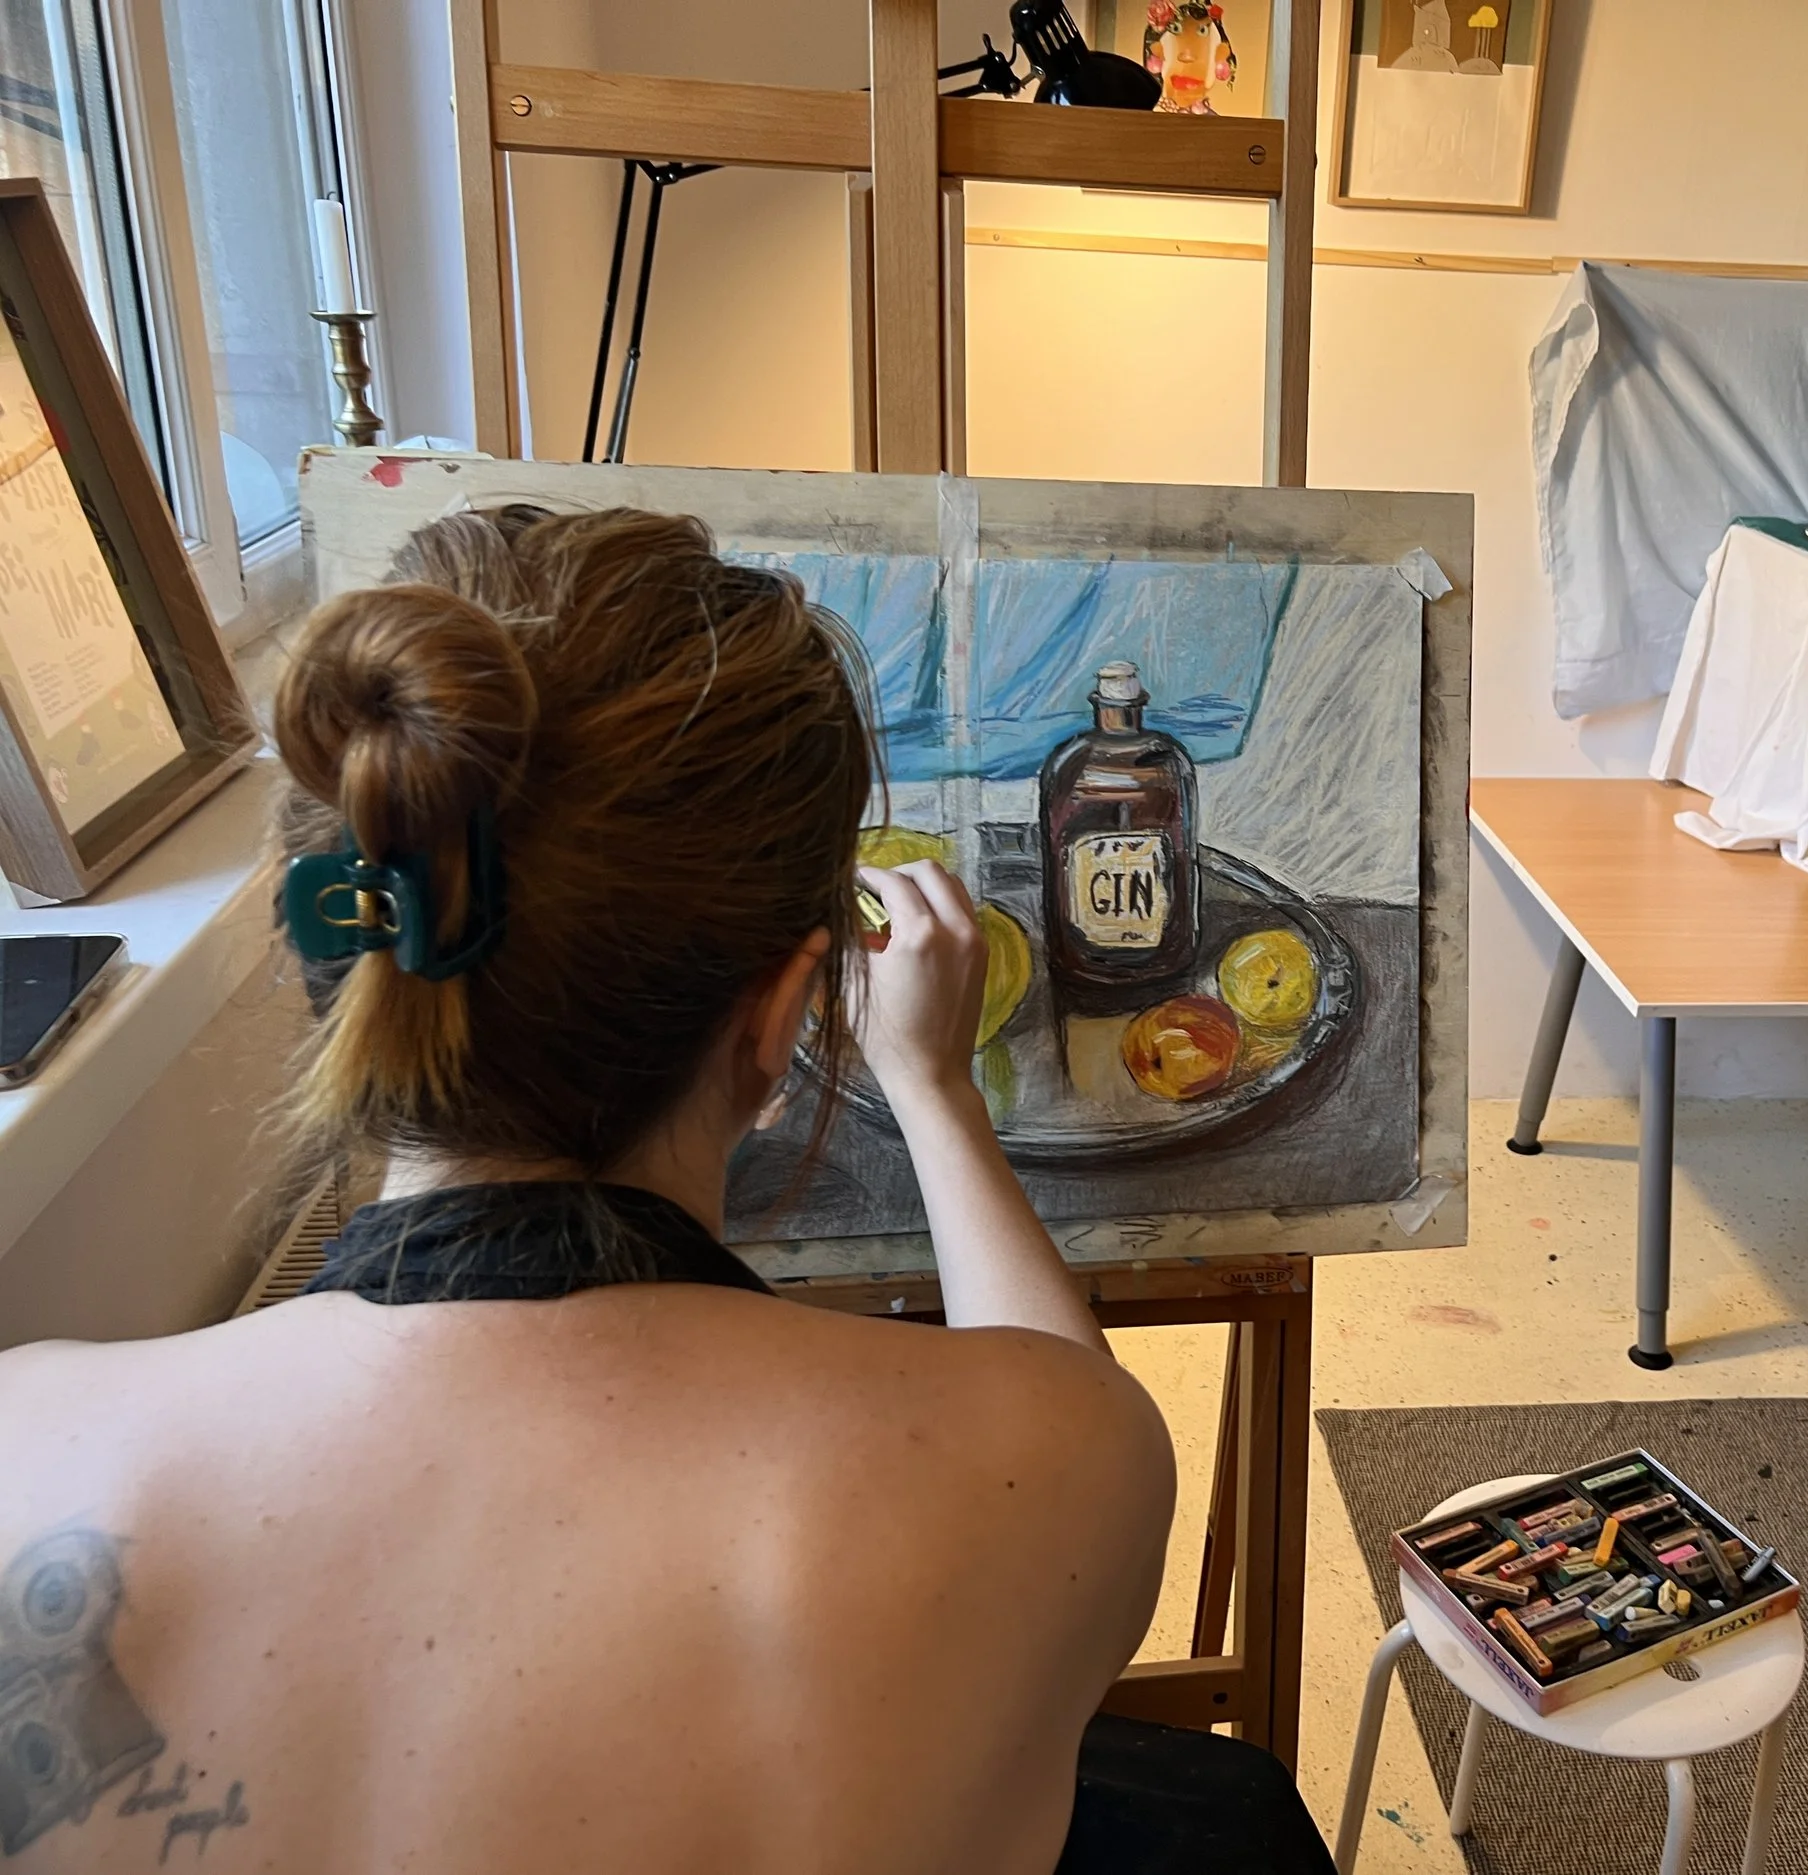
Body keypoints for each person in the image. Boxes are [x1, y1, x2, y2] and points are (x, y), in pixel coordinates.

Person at [0, 506, 1335, 1872]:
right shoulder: (1044, 1470)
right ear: (778, 1014)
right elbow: (1067, 1401)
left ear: (348, 962)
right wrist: (933, 1092)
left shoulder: (25, 1443)